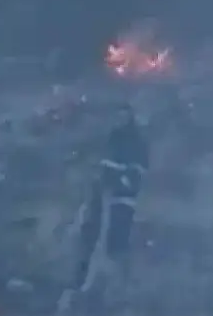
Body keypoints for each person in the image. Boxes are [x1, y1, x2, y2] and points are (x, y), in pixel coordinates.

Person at [58, 102, 149, 313]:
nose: (120, 118)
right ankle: (85, 283)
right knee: (94, 241)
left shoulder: (136, 141)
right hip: (103, 198)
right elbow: (103, 166)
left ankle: (115, 285)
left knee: (117, 244)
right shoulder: (112, 138)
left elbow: (140, 168)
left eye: (124, 114)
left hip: (123, 198)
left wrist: (126, 177)